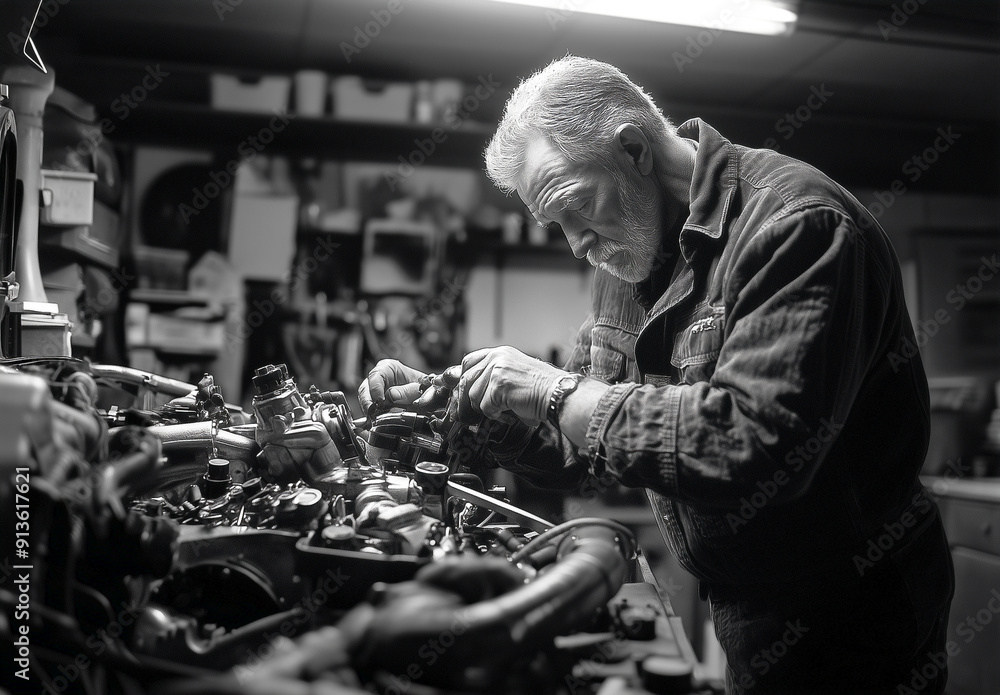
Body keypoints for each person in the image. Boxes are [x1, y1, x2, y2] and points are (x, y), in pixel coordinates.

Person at [359, 56, 954, 694]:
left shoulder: (796, 228)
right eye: (558, 225)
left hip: (854, 611)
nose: (577, 245)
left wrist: (553, 389)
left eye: (576, 208)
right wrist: (471, 404)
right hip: (748, 598)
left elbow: (751, 446)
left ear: (636, 147)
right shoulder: (628, 256)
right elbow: (585, 453)